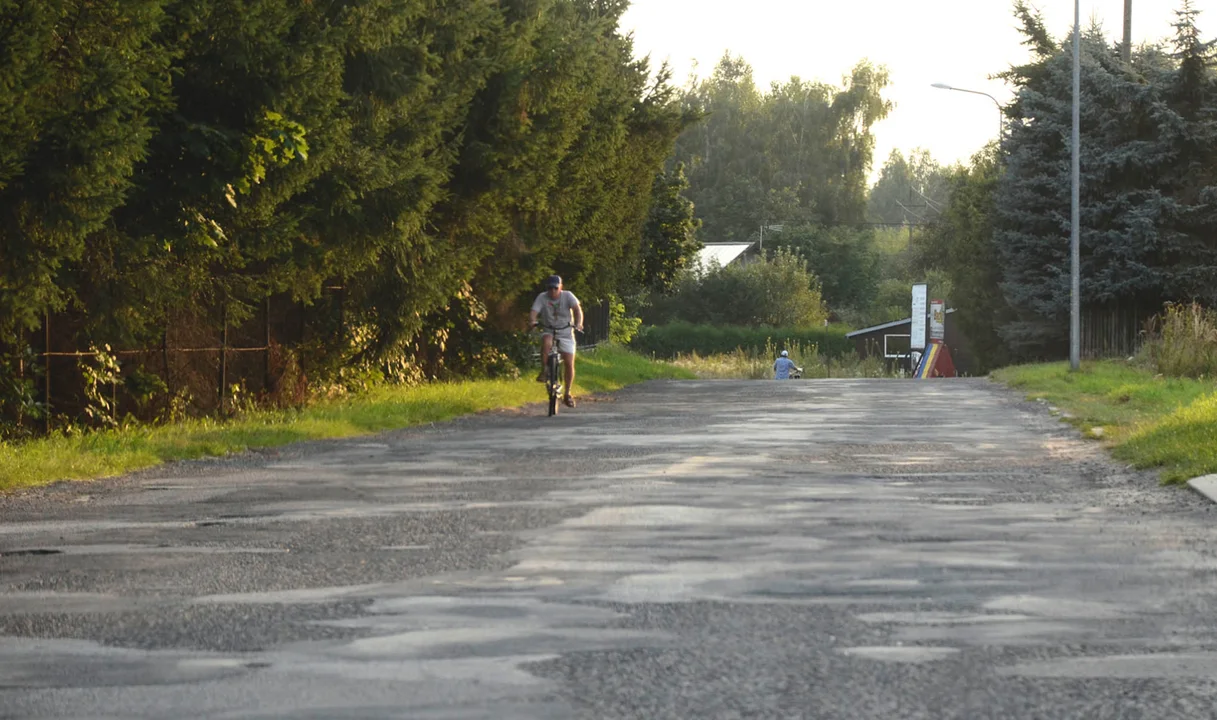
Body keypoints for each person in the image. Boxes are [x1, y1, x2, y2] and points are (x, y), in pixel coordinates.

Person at [529, 275, 583, 407]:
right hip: (549, 329)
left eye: (555, 288)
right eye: (550, 288)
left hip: (565, 332)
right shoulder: (542, 297)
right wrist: (532, 321)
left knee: (569, 362)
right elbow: (534, 311)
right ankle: (545, 369)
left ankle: (567, 393)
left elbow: (577, 310)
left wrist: (578, 323)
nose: (553, 291)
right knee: (546, 342)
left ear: (560, 287)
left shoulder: (568, 296)